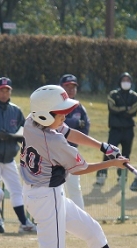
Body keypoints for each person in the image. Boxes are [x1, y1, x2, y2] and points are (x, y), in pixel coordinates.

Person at [0, 85, 137, 248]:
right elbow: (81, 169)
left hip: (44, 193)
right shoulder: (53, 141)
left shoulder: (31, 122)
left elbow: (68, 132)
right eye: (61, 113)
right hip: (46, 197)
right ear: (45, 114)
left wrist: (102, 146)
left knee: (93, 231)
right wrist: (112, 163)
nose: (65, 116)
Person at [0, 77, 37, 233]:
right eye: (1, 90)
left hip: (9, 157)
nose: (4, 93)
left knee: (17, 190)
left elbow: (25, 131)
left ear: (10, 91)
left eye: (7, 90)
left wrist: (17, 137)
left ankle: (24, 222)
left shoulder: (15, 111)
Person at [96, 72, 137, 186]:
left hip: (128, 130)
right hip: (115, 129)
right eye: (124, 80)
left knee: (125, 155)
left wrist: (120, 111)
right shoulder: (113, 94)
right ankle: (102, 175)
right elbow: (112, 108)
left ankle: (122, 177)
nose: (126, 82)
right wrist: (125, 109)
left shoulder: (135, 97)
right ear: (120, 81)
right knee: (108, 152)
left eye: (128, 80)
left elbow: (133, 111)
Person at [58, 74, 90, 209]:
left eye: (73, 87)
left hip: (71, 151)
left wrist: (72, 125)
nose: (71, 89)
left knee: (75, 189)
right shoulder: (56, 104)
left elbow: (85, 130)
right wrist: (76, 122)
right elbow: (57, 126)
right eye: (67, 86)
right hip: (55, 152)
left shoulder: (79, 107)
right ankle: (59, 220)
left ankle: (82, 220)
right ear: (61, 88)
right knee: (57, 189)